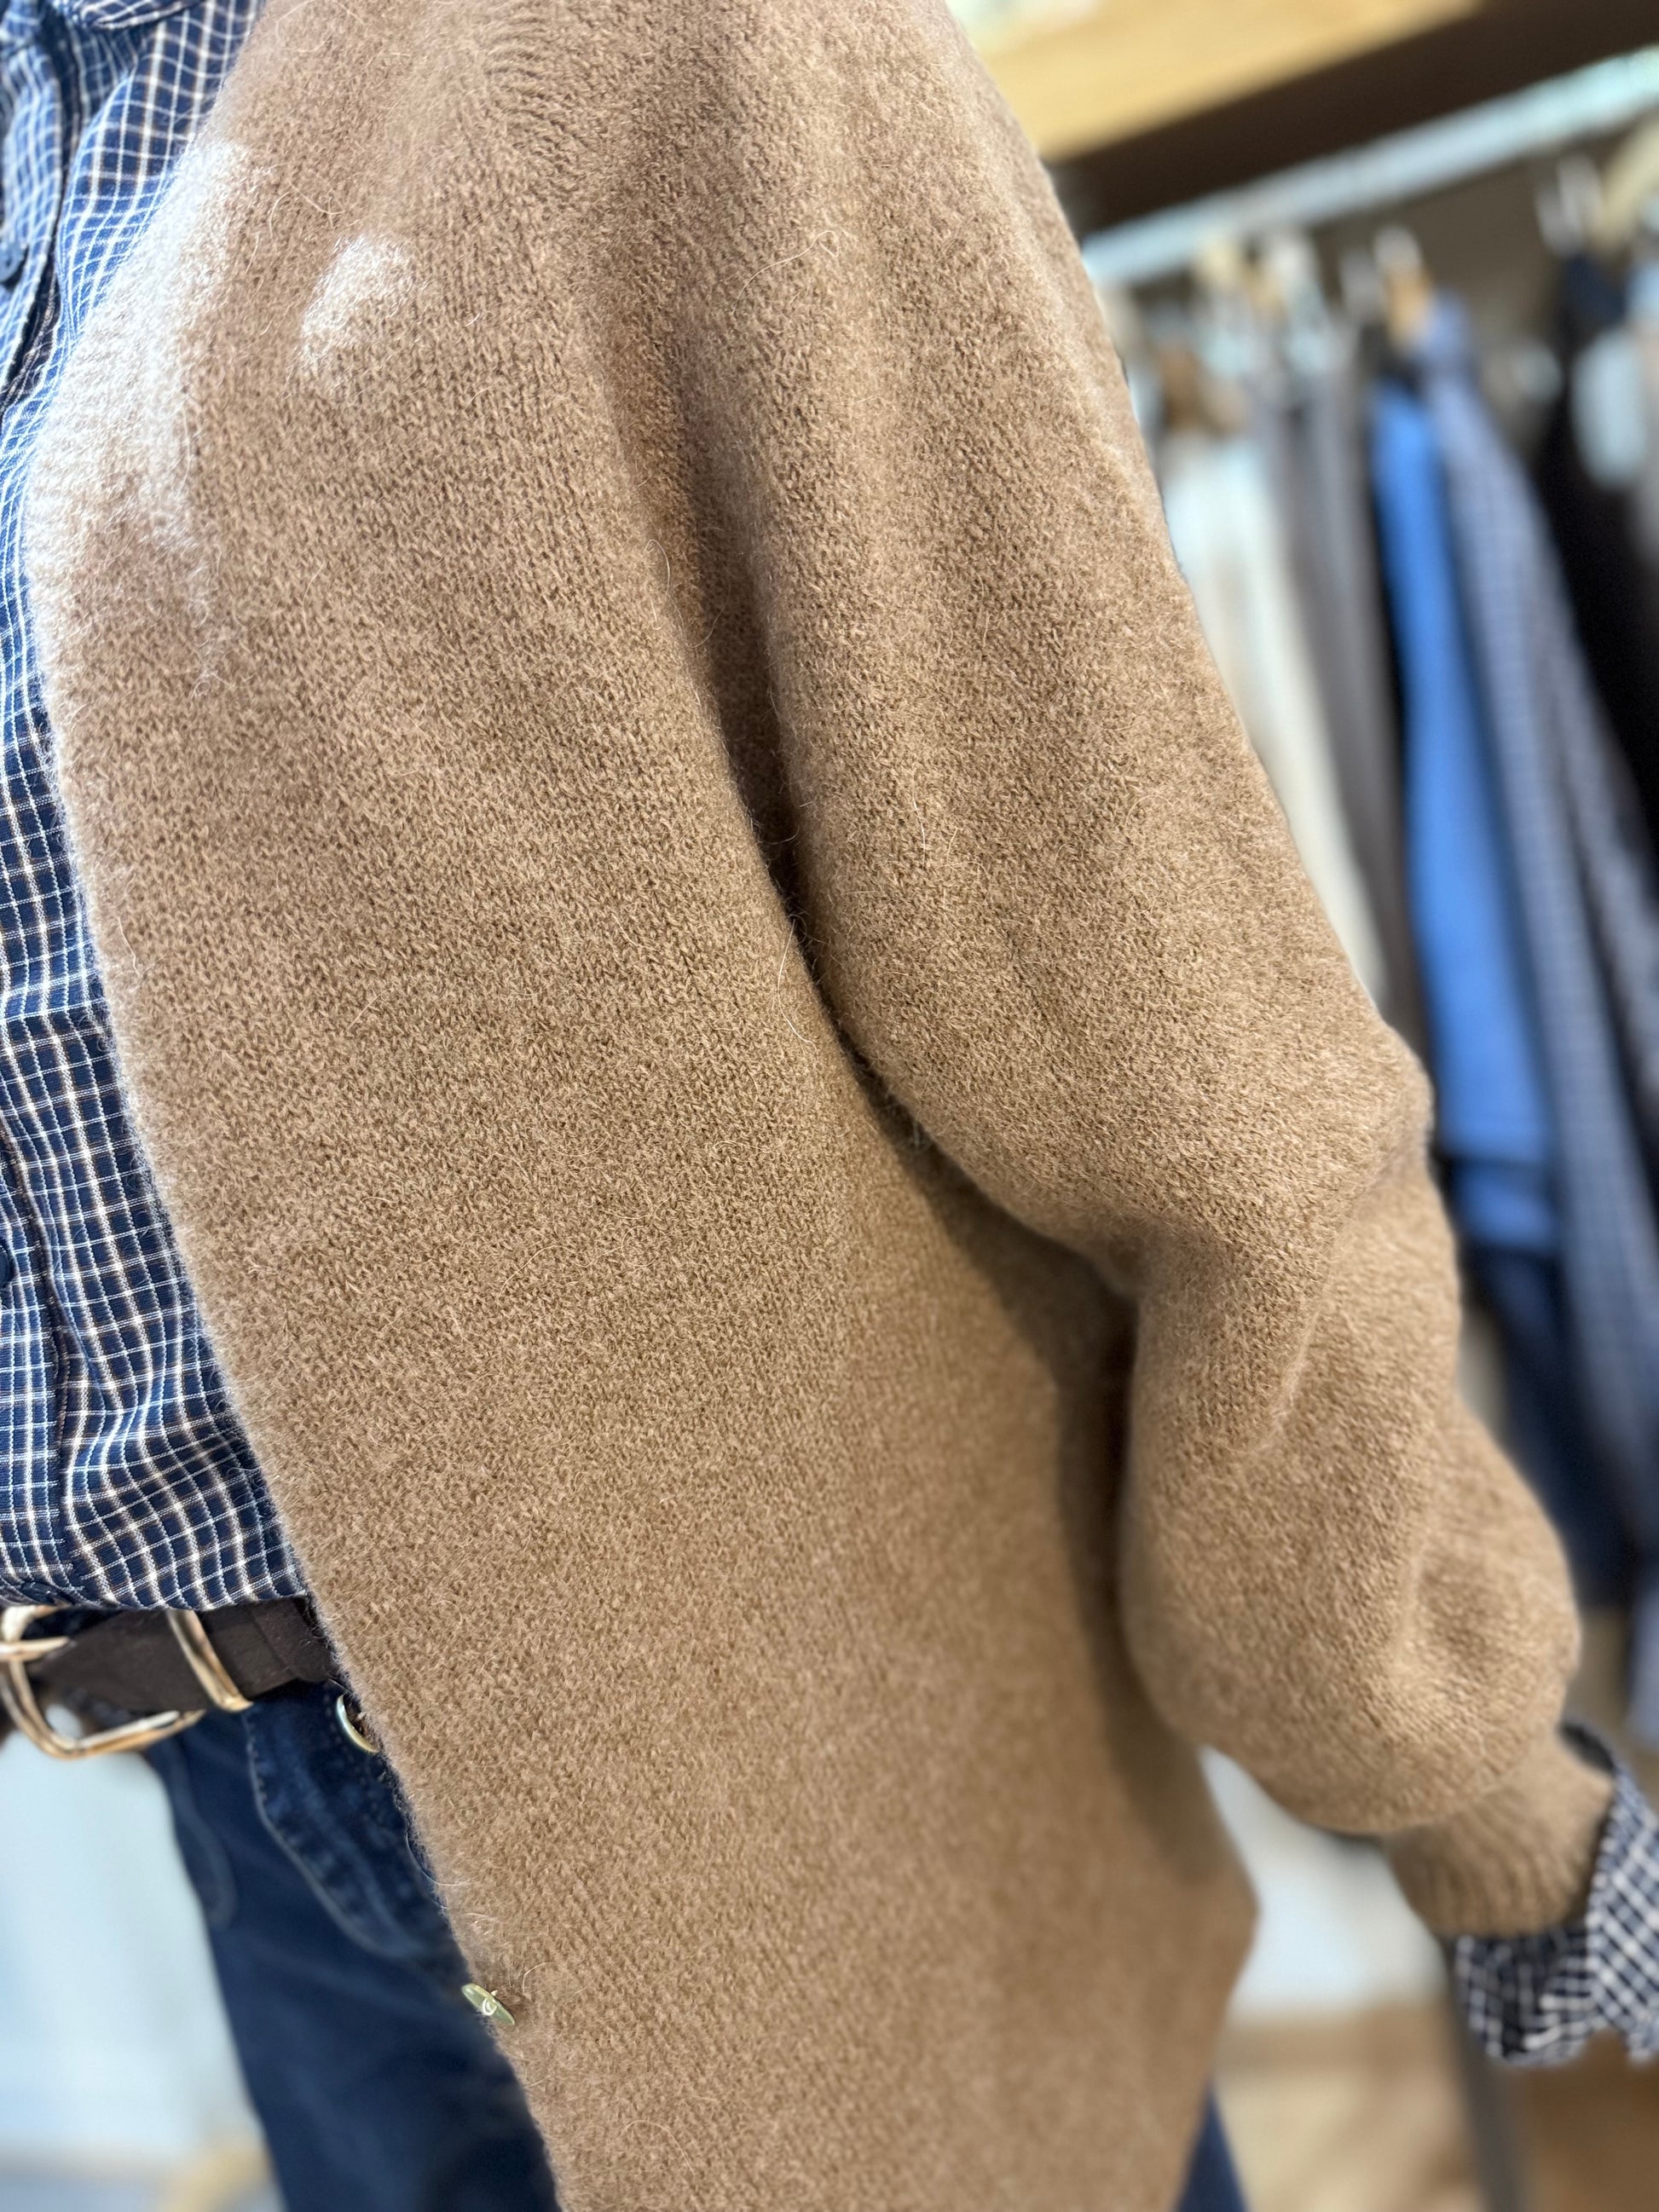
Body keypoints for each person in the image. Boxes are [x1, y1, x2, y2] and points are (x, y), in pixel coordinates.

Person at [0, 2, 1655, 2208]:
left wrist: (1446, 1740)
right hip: (241, 1819)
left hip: (799, 1813)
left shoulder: (654, 41)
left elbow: (1136, 967)